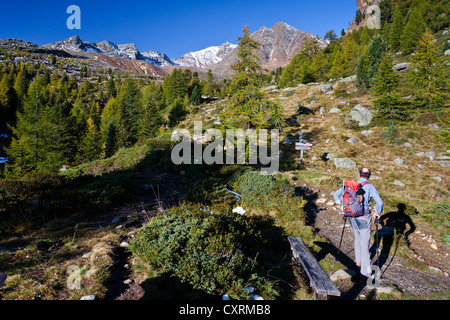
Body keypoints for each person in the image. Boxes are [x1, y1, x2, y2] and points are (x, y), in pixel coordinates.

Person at [333, 167, 384, 282]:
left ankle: (358, 262)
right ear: (369, 176)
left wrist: (343, 207)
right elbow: (380, 202)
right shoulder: (370, 187)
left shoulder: (350, 185)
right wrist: (378, 212)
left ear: (359, 174)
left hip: (352, 216)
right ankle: (365, 273)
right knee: (365, 244)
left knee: (357, 239)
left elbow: (336, 195)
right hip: (364, 217)